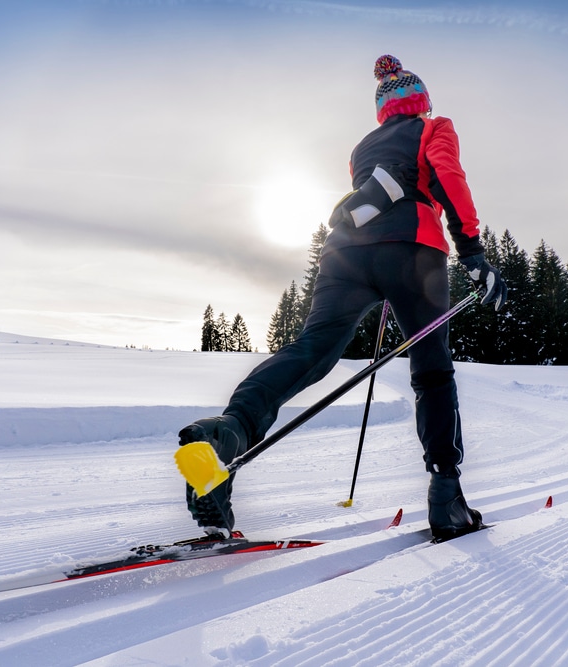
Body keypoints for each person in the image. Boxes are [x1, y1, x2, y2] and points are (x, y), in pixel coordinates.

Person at [179, 55, 507, 542]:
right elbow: (445, 176)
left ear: (382, 108)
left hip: (345, 252)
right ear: (421, 98)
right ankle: (446, 495)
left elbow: (376, 195)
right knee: (432, 371)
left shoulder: (362, 148)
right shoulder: (434, 127)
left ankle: (228, 432)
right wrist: (474, 253)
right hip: (413, 252)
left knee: (313, 349)